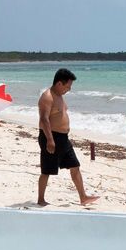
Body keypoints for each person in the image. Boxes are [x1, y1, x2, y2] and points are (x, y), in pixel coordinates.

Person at [37, 67, 98, 206]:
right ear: (59, 83)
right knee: (47, 170)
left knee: (75, 165)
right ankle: (41, 199)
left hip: (64, 139)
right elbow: (44, 119)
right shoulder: (47, 97)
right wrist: (50, 140)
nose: (69, 89)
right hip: (50, 137)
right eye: (68, 86)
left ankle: (83, 197)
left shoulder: (60, 96)